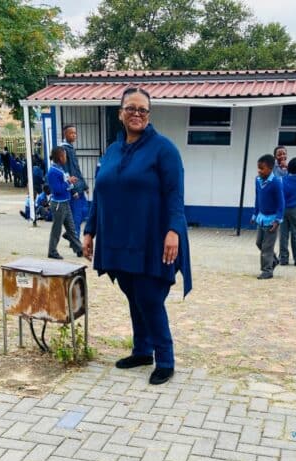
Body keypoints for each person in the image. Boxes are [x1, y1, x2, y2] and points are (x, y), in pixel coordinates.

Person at [83, 87, 191, 385]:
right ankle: (142, 350)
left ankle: (165, 359)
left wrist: (173, 231)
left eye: (143, 110)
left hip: (151, 240)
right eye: (131, 108)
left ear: (149, 115)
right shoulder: (113, 150)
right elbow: (100, 194)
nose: (137, 114)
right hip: (119, 239)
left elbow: (175, 195)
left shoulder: (163, 149)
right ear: (120, 113)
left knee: (149, 297)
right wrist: (89, 230)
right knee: (133, 295)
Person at [251, 153, 284, 280]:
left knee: (267, 247)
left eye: (262, 168)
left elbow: (281, 202)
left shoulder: (276, 182)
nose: (259, 171)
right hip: (261, 218)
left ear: (270, 169)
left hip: (272, 220)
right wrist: (255, 214)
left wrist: (278, 220)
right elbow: (257, 198)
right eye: (258, 168)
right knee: (259, 243)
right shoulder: (257, 180)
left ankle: (267, 270)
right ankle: (273, 260)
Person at [47, 146, 83, 260]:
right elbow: (57, 189)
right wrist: (68, 182)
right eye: (65, 156)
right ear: (60, 157)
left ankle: (79, 249)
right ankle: (52, 251)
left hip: (64, 203)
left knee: (71, 228)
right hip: (58, 204)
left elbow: (65, 184)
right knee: (56, 230)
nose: (66, 158)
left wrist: (73, 191)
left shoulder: (60, 169)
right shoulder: (53, 171)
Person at [60, 124, 88, 237]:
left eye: (75, 133)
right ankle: (75, 240)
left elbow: (77, 170)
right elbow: (65, 172)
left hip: (79, 186)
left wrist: (85, 186)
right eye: (72, 133)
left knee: (84, 211)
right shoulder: (63, 150)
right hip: (73, 190)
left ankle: (69, 234)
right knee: (76, 215)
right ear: (65, 134)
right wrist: (72, 190)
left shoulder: (71, 148)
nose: (74, 135)